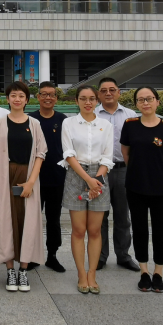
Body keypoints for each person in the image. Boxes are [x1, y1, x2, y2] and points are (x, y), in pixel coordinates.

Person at [120, 86, 163, 294]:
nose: (145, 103)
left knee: (161, 230)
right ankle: (144, 271)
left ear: (157, 101)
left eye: (149, 99)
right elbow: (126, 153)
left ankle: (158, 272)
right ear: (136, 103)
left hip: (161, 188)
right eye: (141, 100)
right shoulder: (130, 125)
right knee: (139, 229)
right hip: (135, 186)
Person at [0, 81, 47, 292]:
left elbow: (40, 153)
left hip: (27, 175)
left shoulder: (34, 124)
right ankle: (10, 270)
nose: (17, 99)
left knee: (27, 221)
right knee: (6, 220)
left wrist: (31, 181)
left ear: (27, 100)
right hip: (5, 176)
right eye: (13, 95)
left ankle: (23, 269)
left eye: (21, 96)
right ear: (7, 98)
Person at [60, 85, 113, 294]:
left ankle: (92, 274)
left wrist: (96, 180)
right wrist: (87, 180)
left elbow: (108, 156)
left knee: (95, 230)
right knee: (79, 230)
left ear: (97, 100)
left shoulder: (105, 125)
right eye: (83, 98)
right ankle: (81, 273)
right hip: (76, 175)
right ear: (77, 101)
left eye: (92, 98)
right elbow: (68, 154)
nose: (88, 102)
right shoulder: (69, 123)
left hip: (100, 176)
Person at [95, 77, 139, 271]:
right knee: (100, 217)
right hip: (98, 171)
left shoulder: (130, 115)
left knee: (123, 216)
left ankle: (123, 255)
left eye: (112, 89)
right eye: (104, 90)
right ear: (98, 94)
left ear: (119, 92)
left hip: (123, 169)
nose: (108, 93)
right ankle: (100, 256)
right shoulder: (93, 114)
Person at [29, 81, 68, 272]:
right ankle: (32, 256)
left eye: (51, 94)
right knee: (33, 219)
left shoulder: (63, 120)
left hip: (56, 177)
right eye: (43, 94)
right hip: (34, 178)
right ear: (38, 97)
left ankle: (52, 255)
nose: (47, 97)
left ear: (56, 98)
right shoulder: (30, 119)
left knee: (53, 219)